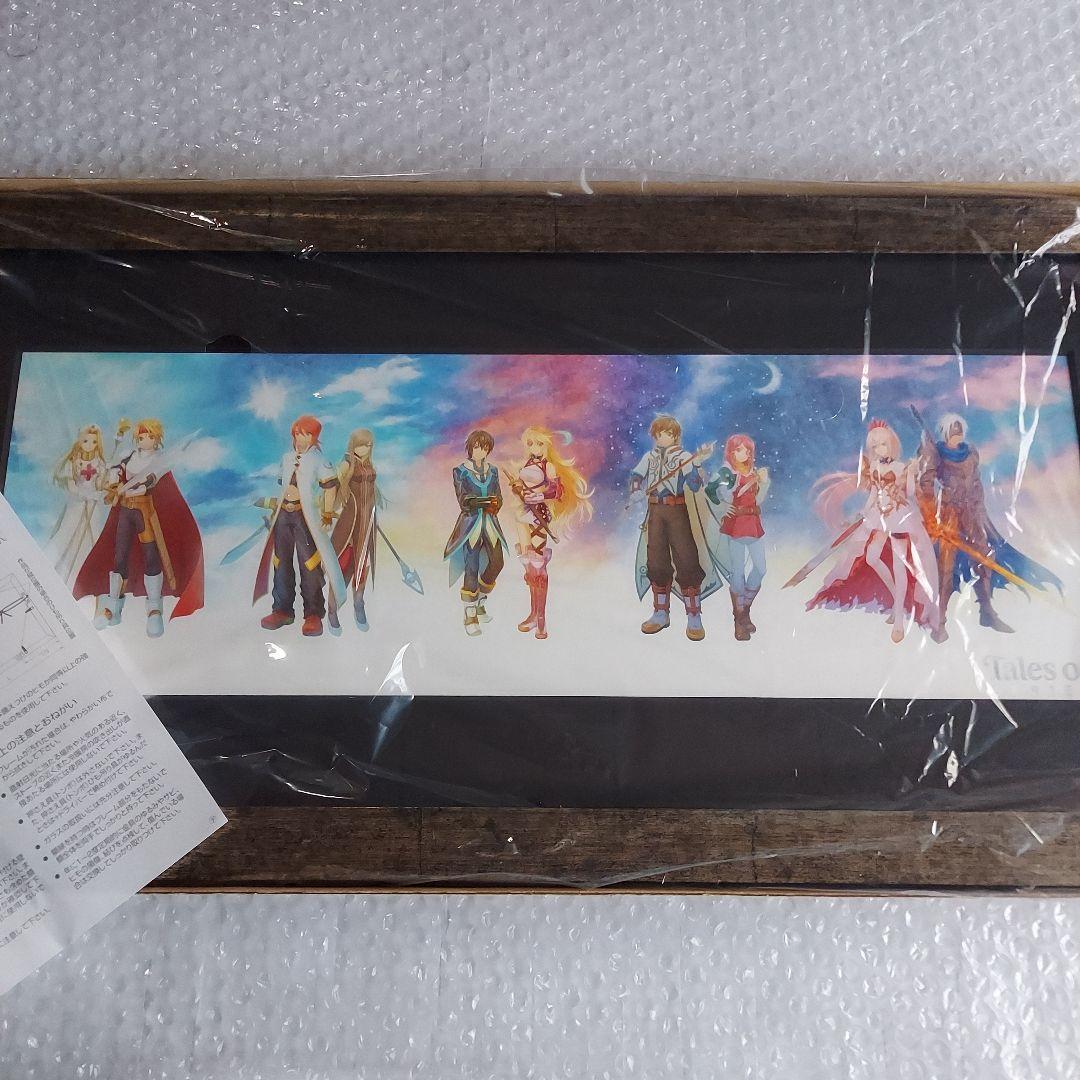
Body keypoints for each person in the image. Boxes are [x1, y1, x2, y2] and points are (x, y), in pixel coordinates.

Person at [917, 411, 1061, 639]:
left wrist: (979, 512)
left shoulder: (970, 452)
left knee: (984, 561)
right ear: (944, 433)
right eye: (952, 430)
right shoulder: (935, 453)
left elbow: (976, 483)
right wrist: (931, 517)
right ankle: (939, 622)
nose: (957, 433)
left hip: (973, 515)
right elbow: (925, 484)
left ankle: (987, 612)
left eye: (959, 429)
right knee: (945, 569)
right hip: (948, 515)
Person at [807, 419, 940, 643]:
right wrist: (862, 513)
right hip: (879, 516)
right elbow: (873, 494)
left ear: (892, 444)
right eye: (875, 446)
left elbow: (909, 493)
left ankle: (899, 619)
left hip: (899, 517)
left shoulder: (900, 467)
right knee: (871, 557)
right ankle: (896, 599)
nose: (879, 449)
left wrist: (910, 474)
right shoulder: (875, 467)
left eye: (883, 444)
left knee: (899, 566)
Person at [73, 418, 203, 637]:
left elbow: (150, 481)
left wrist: (135, 488)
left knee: (151, 556)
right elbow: (116, 472)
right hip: (125, 512)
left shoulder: (158, 460)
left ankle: (154, 610)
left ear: (157, 438)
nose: (145, 440)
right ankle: (113, 609)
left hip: (145, 512)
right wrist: (114, 483)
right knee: (120, 556)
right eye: (142, 436)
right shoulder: (129, 456)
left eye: (150, 436)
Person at [629, 414, 724, 641]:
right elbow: (636, 476)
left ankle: (694, 616)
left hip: (677, 511)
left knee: (687, 558)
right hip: (656, 511)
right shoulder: (649, 457)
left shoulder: (684, 457)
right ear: (655, 435)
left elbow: (694, 485)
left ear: (675, 436)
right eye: (660, 433)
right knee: (656, 560)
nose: (664, 437)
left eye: (668, 434)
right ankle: (660, 613)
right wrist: (635, 491)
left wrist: (696, 465)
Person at [254, 414, 347, 637]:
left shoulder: (319, 460)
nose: (300, 438)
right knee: (281, 562)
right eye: (297, 434)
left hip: (305, 517)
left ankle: (313, 613)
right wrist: (273, 508)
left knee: (310, 563)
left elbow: (329, 488)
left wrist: (327, 513)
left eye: (305, 435)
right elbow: (283, 486)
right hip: (283, 516)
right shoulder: (287, 458)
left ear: (314, 437)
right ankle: (282, 609)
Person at [507, 426, 593, 640]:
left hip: (538, 516)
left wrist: (538, 495)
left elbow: (556, 490)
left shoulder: (549, 466)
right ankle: (532, 614)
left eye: (539, 443)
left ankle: (541, 619)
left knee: (538, 567)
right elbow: (523, 486)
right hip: (522, 515)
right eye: (530, 443)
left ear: (546, 445)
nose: (534, 448)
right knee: (528, 565)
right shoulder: (528, 463)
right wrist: (518, 488)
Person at [444, 429, 509, 637]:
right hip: (470, 524)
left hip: (490, 523)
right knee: (471, 567)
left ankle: (480, 599)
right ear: (470, 448)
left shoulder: (493, 471)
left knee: (497, 562)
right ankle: (470, 613)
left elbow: (499, 497)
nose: (480, 451)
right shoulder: (460, 471)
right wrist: (483, 502)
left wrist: (495, 504)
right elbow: (464, 501)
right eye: (477, 447)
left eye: (484, 448)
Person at [706, 433, 769, 641]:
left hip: (753, 523)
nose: (745, 453)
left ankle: (744, 610)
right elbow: (710, 490)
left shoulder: (753, 472)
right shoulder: (727, 472)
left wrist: (764, 483)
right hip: (736, 525)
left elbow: (758, 500)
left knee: (760, 568)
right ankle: (739, 620)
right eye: (740, 449)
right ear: (731, 452)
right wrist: (723, 506)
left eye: (748, 450)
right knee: (738, 573)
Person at [328, 427, 379, 633]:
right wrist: (326, 511)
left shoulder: (369, 465)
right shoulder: (347, 463)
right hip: (350, 522)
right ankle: (332, 609)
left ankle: (359, 603)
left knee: (362, 566)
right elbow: (330, 486)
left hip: (367, 524)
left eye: (368, 445)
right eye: (361, 444)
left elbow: (372, 493)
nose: (364, 449)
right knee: (342, 565)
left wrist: (373, 516)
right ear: (353, 445)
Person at [47, 423, 108, 584]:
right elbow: (71, 486)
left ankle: (84, 576)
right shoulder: (73, 462)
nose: (90, 445)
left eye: (94, 442)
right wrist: (85, 494)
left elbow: (100, 484)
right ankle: (51, 567)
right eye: (86, 441)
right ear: (80, 441)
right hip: (77, 503)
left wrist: (102, 483)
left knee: (91, 535)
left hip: (92, 505)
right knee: (68, 531)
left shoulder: (99, 463)